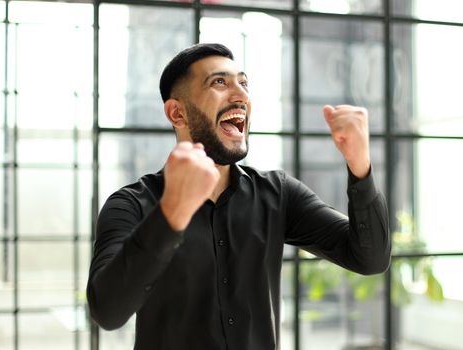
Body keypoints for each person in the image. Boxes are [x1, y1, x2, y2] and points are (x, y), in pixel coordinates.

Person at [86, 43, 391, 350]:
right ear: (177, 112)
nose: (242, 95)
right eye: (219, 82)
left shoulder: (278, 193)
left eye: (243, 84)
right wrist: (171, 214)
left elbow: (370, 258)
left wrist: (360, 164)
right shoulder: (129, 205)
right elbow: (107, 312)